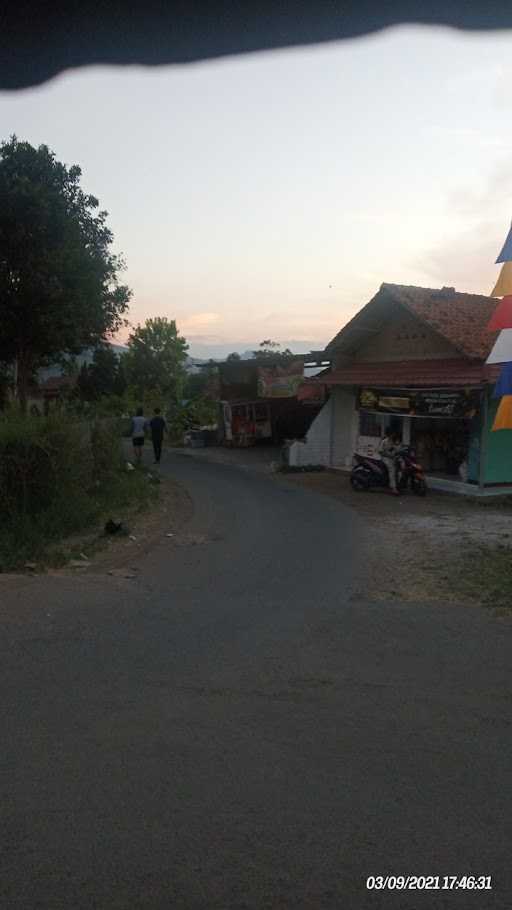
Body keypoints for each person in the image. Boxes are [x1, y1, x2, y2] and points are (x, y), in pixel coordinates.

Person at [379, 429, 401, 495]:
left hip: (393, 458)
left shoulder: (394, 441)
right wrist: (389, 455)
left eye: (394, 434)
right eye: (392, 434)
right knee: (392, 469)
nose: (393, 435)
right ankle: (393, 488)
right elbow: (380, 451)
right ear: (389, 434)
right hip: (386, 458)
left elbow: (398, 449)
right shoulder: (384, 441)